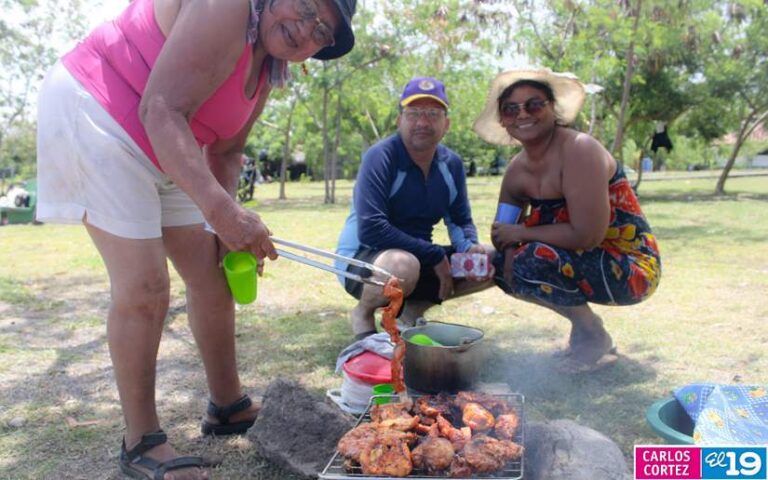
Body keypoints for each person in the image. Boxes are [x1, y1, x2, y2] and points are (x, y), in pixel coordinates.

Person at [35, 0, 356, 478]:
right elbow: (160, 107)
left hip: (167, 143)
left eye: (322, 31)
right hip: (100, 110)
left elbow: (227, 151)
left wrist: (224, 224)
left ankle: (226, 407)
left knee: (214, 273)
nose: (306, 29)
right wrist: (222, 212)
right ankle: (140, 440)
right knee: (145, 287)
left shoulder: (269, 67)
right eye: (306, 6)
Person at [473, 68, 661, 373]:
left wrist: (520, 233)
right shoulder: (517, 172)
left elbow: (587, 234)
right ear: (504, 121)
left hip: (630, 268)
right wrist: (505, 253)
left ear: (552, 108)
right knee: (498, 264)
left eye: (534, 104)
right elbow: (501, 232)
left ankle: (592, 333)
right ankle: (585, 330)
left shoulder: (579, 150)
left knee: (531, 259)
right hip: (573, 258)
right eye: (511, 108)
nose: (523, 114)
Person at [335, 77, 495, 340]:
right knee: (402, 265)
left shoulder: (451, 164)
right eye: (413, 113)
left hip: (418, 259)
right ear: (399, 120)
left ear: (446, 124)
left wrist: (470, 248)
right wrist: (433, 254)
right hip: (363, 259)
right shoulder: (381, 157)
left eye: (433, 114)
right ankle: (363, 313)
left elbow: (459, 219)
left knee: (490, 259)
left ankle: (412, 311)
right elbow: (372, 230)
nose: (423, 122)